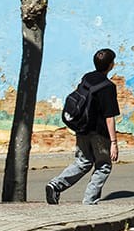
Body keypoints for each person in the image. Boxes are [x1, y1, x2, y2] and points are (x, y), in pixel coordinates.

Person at [46, 48, 121, 206]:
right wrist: (113, 143)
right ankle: (89, 202)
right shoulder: (107, 87)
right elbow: (109, 117)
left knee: (83, 161)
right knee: (104, 165)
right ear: (111, 65)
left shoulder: (87, 78)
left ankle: (55, 185)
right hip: (99, 133)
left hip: (82, 128)